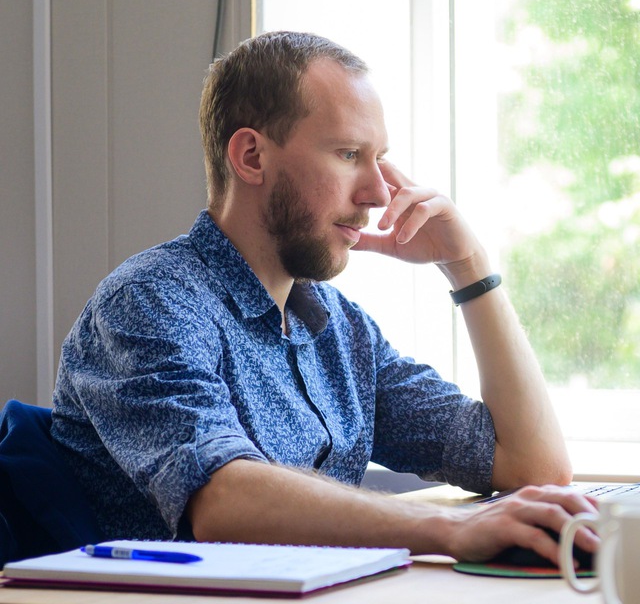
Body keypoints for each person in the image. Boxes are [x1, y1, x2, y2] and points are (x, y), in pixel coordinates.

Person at [51, 31, 597, 564]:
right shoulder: (148, 303)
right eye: (348, 154)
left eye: (379, 159)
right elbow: (221, 499)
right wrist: (451, 527)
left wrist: (467, 266)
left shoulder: (339, 328)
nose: (378, 193)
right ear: (251, 156)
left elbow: (532, 468)